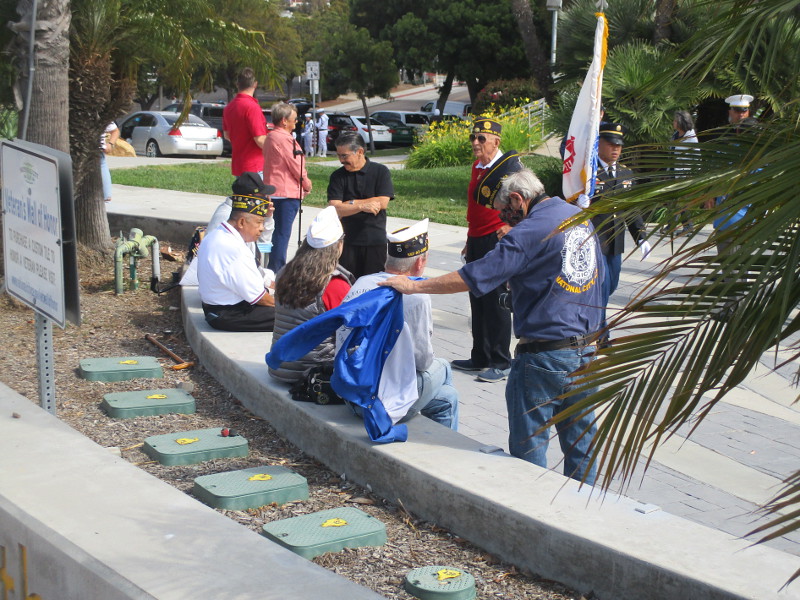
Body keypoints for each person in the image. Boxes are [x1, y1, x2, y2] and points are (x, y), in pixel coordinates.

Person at [380, 169, 603, 484]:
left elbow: (474, 276)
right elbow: (598, 279)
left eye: (505, 211)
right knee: (582, 442)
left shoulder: (530, 231)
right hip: (587, 349)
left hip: (545, 355)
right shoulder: (577, 217)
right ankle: (585, 507)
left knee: (529, 448)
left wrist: (414, 286)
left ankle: (529, 506)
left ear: (518, 200)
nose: (503, 219)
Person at [337, 219, 459, 430]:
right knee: (444, 367)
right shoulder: (417, 296)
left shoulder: (361, 282)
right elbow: (422, 361)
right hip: (379, 404)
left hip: (351, 393)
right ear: (419, 262)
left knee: (448, 396)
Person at [450, 118, 522, 384]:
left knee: (496, 300)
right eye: (473, 137)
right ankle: (480, 356)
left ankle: (501, 361)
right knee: (477, 297)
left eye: (482, 138)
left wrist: (511, 227)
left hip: (496, 238)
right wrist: (470, 238)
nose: (476, 142)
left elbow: (525, 201)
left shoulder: (509, 169)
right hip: (476, 237)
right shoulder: (477, 166)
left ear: (496, 141)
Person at [268, 206, 353, 383]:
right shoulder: (335, 284)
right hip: (315, 372)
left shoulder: (284, 272)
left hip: (279, 368)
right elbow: (349, 331)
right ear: (339, 245)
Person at [587, 123, 649, 344]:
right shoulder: (588, 172)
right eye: (611, 144)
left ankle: (595, 329)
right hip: (595, 242)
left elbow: (630, 209)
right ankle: (601, 336)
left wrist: (641, 237)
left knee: (611, 286)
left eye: (619, 145)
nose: (616, 149)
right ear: (600, 144)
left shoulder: (625, 173)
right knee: (602, 290)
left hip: (615, 244)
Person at [197, 178, 276, 332]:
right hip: (228, 314)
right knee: (295, 316)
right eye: (258, 222)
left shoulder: (219, 234)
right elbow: (260, 298)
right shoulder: (234, 249)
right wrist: (285, 307)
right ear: (241, 222)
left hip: (216, 308)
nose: (261, 228)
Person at [327, 132, 394, 279]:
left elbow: (383, 202)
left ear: (360, 152)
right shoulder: (337, 176)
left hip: (374, 241)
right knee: (347, 284)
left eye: (344, 156)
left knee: (373, 284)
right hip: (346, 242)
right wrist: (361, 206)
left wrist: (349, 203)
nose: (341, 160)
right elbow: (335, 208)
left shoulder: (380, 171)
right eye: (338, 155)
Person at [263, 102, 312, 273]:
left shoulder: (270, 136)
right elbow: (296, 165)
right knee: (281, 235)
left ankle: (270, 267)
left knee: (272, 233)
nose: (296, 122)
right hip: (286, 193)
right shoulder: (285, 139)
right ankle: (276, 271)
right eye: (294, 119)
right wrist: (306, 184)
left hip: (273, 190)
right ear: (284, 121)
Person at [223, 67, 268, 177]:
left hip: (238, 166)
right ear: (255, 84)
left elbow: (227, 135)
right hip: (255, 167)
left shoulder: (229, 107)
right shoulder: (252, 107)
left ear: (237, 84)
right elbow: (260, 139)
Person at [669, 110, 699, 235]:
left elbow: (696, 158)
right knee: (672, 201)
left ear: (681, 122)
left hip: (685, 175)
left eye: (675, 120)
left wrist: (692, 175)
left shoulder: (691, 138)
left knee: (682, 202)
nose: (673, 122)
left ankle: (688, 227)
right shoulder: (675, 135)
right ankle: (671, 226)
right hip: (673, 172)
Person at [100, 122, 120, 203]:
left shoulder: (100, 116)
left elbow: (115, 131)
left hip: (98, 151)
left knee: (102, 166)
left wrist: (110, 144)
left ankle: (106, 197)